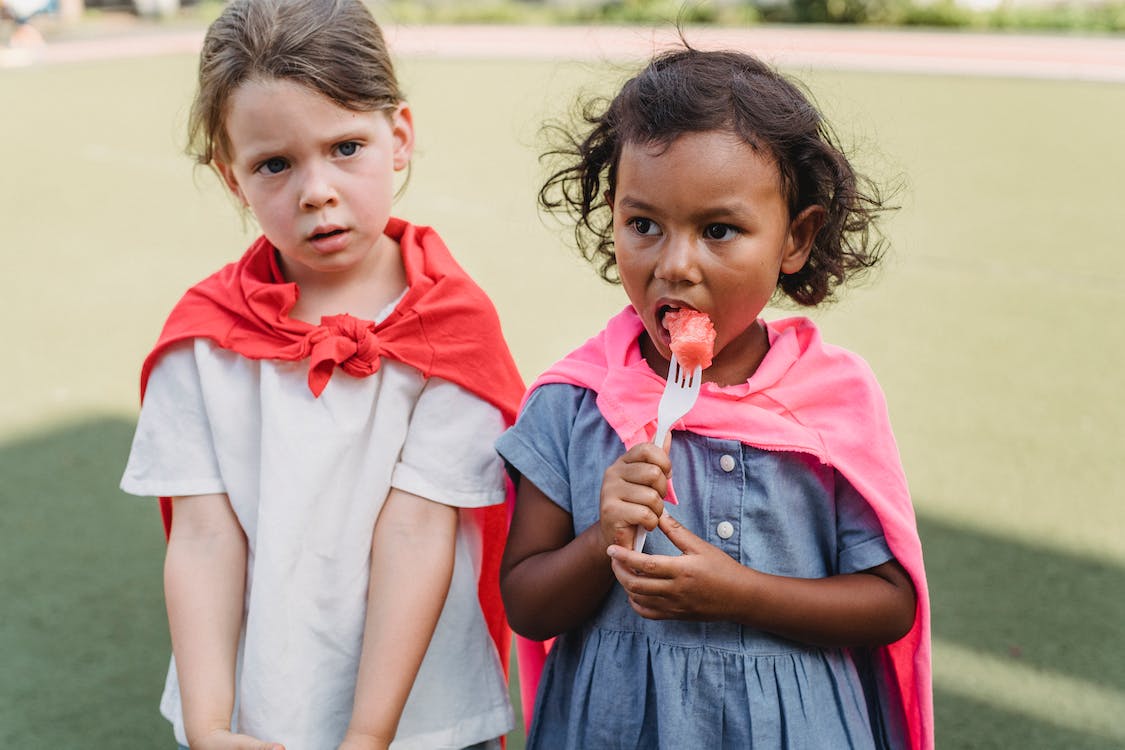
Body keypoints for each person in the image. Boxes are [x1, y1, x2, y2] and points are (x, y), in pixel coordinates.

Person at [497, 46, 932, 750]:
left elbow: (887, 603)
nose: (674, 264)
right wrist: (600, 536)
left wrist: (739, 593)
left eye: (718, 231)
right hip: (613, 725)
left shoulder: (831, 400)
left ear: (795, 238)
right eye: (644, 225)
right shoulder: (573, 402)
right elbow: (526, 604)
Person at [119, 0, 524, 748]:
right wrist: (211, 729)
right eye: (274, 163)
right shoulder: (201, 340)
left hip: (420, 716)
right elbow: (206, 539)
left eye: (345, 147)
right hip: (252, 710)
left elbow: (415, 532)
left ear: (397, 136)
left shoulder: (450, 326)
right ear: (231, 176)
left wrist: (367, 738)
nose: (315, 191)